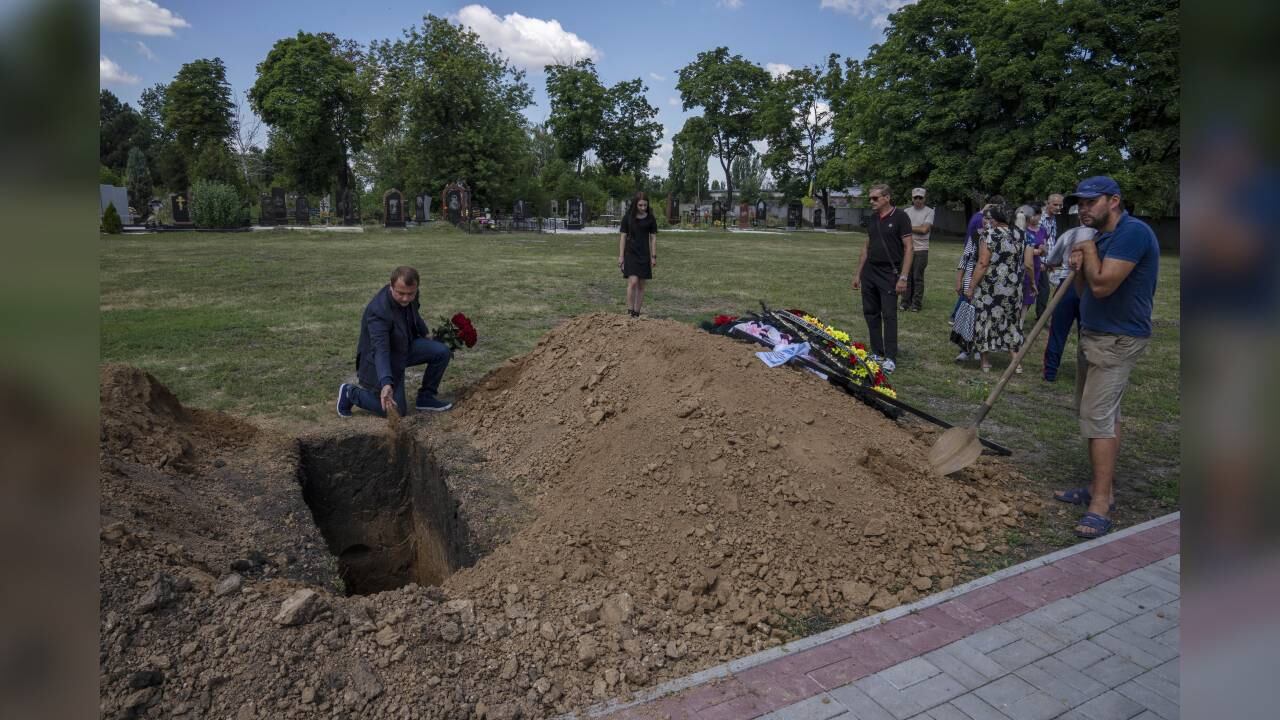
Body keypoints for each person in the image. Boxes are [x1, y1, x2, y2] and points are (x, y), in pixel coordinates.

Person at [1056, 176, 1160, 539]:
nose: (1082, 209)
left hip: (1118, 339)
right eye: (1079, 203)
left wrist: (1087, 254)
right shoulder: (1100, 238)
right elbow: (1088, 292)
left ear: (1114, 201)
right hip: (1095, 334)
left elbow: (1103, 284)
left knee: (1097, 416)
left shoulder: (1133, 233)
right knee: (1101, 414)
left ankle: (1100, 504)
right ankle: (1103, 488)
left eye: (1090, 202)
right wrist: (1080, 263)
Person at [336, 266, 453, 417]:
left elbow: (414, 313)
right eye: (401, 293)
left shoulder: (411, 294)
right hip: (378, 361)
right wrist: (386, 382)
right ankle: (350, 393)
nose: (406, 298)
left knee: (441, 351)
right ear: (391, 286)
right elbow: (380, 349)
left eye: (410, 293)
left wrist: (425, 333)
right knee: (397, 411)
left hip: (403, 347)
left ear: (416, 288)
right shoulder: (378, 312)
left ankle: (426, 397)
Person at [852, 184, 913, 373]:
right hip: (870, 271)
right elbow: (866, 246)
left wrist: (903, 277)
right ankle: (877, 352)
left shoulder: (901, 217)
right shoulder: (872, 219)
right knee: (870, 312)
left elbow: (909, 248)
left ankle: (890, 357)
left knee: (889, 314)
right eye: (870, 198)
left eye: (875, 198)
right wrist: (858, 273)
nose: (871, 201)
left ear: (887, 198)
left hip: (889, 272)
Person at [968, 201, 1027, 373]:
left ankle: (985, 362)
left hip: (990, 287)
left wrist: (971, 286)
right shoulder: (1021, 235)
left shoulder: (989, 235)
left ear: (996, 219)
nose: (988, 220)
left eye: (990, 217)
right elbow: (1027, 261)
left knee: (985, 320)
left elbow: (983, 263)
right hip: (1014, 288)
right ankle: (1016, 362)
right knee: (1011, 322)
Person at [1040, 225, 1095, 381]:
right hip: (1087, 286)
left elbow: (1051, 260)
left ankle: (1050, 373)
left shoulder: (1069, 233)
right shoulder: (1100, 234)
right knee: (1087, 333)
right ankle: (1087, 374)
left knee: (1058, 332)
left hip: (1067, 285)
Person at [618, 191, 658, 317]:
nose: (643, 208)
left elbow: (653, 238)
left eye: (645, 205)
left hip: (644, 254)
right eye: (640, 205)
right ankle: (630, 311)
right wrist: (621, 256)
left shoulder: (650, 218)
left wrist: (653, 256)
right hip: (631, 253)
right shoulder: (628, 218)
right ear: (635, 204)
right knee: (633, 282)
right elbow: (623, 237)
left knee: (641, 285)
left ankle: (636, 312)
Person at [902, 187, 934, 312]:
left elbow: (924, 230)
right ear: (912, 198)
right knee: (906, 276)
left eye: (921, 197)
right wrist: (916, 228)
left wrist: (908, 227)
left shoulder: (929, 211)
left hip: (921, 249)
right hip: (907, 248)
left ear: (925, 198)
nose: (918, 200)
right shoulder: (906, 211)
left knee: (917, 277)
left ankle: (916, 304)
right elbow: (903, 229)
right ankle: (905, 302)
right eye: (916, 197)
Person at [1021, 203, 1048, 327]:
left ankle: (1020, 322)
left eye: (1036, 215)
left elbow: (1044, 250)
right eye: (1031, 215)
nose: (1033, 218)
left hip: (1036, 267)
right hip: (1024, 266)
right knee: (1021, 295)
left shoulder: (1043, 230)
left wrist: (1043, 250)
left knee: (1030, 297)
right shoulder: (1023, 230)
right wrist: (1035, 251)